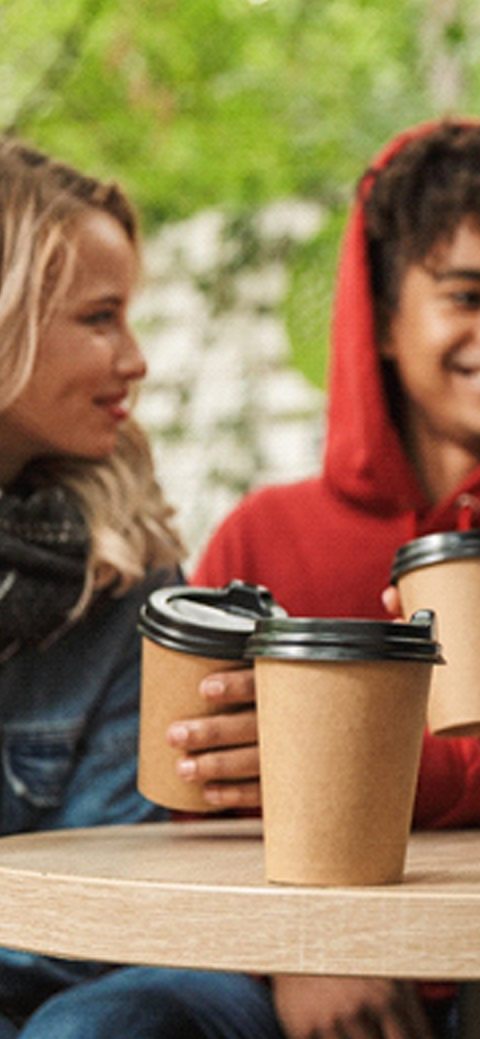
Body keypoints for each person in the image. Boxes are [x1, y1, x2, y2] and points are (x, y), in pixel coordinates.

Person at [20, 121, 480, 1038]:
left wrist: (341, 761)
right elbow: (191, 806)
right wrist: (299, 950)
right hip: (273, 977)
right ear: (380, 314)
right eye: (467, 293)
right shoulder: (267, 533)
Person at [0, 140, 186, 1034]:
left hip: (64, 989)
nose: (136, 358)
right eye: (101, 317)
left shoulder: (122, 563)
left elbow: (108, 901)